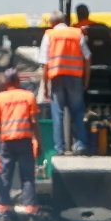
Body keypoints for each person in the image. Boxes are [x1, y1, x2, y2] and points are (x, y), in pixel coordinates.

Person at [0, 68, 42, 221]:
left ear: (5, 83)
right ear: (19, 81)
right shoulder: (28, 96)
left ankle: (3, 215)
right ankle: (31, 214)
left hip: (6, 144)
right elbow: (34, 122)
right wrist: (38, 143)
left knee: (4, 177)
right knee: (27, 178)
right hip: (25, 143)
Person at [38, 10, 90, 154]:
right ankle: (80, 145)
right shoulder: (77, 33)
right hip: (75, 78)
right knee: (78, 111)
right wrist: (86, 80)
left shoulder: (49, 35)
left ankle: (60, 148)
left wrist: (45, 86)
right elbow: (87, 57)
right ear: (64, 20)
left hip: (56, 78)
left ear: (52, 23)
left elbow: (45, 63)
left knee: (58, 113)